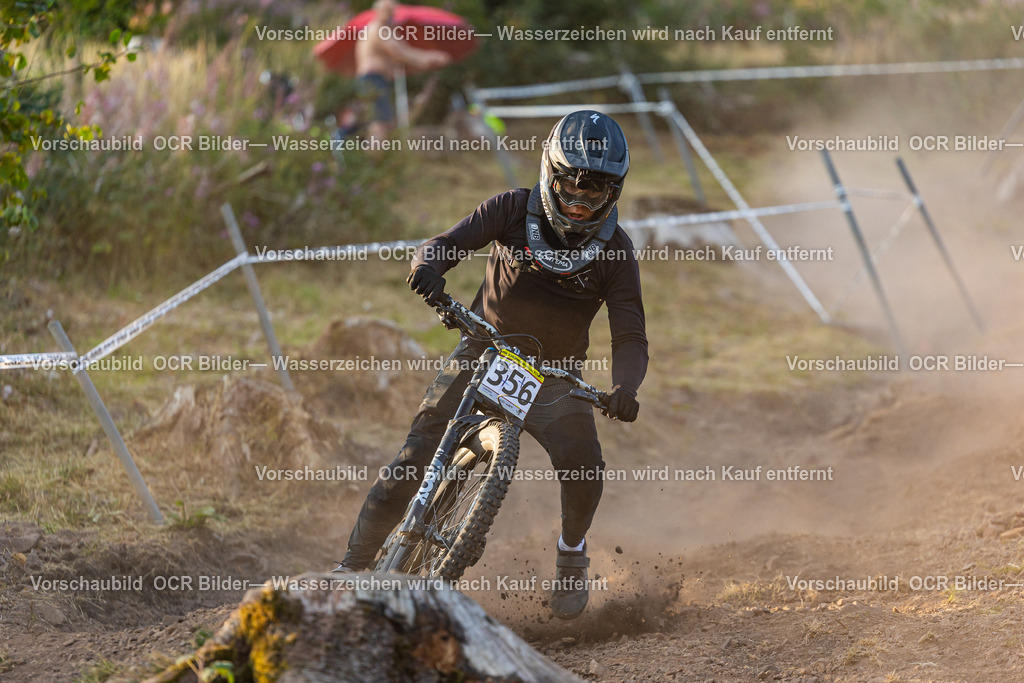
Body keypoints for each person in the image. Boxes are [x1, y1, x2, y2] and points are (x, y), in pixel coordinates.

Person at [335, 110, 648, 621]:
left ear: (615, 193)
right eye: (572, 189)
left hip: (555, 377)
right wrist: (428, 268)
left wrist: (625, 387)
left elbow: (630, 332)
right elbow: (443, 243)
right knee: (411, 462)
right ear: (550, 170)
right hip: (485, 350)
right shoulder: (510, 208)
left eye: (596, 195)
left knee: (586, 467)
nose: (581, 203)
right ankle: (351, 568)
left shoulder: (615, 251)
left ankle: (572, 554)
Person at [344, 0, 451, 141]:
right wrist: (431, 57)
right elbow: (402, 53)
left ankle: (377, 157)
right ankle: (375, 161)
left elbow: (400, 52)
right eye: (388, 11)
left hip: (373, 80)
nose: (391, 14)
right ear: (379, 11)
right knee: (380, 124)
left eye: (392, 11)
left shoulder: (376, 29)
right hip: (373, 79)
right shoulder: (379, 30)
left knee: (383, 121)